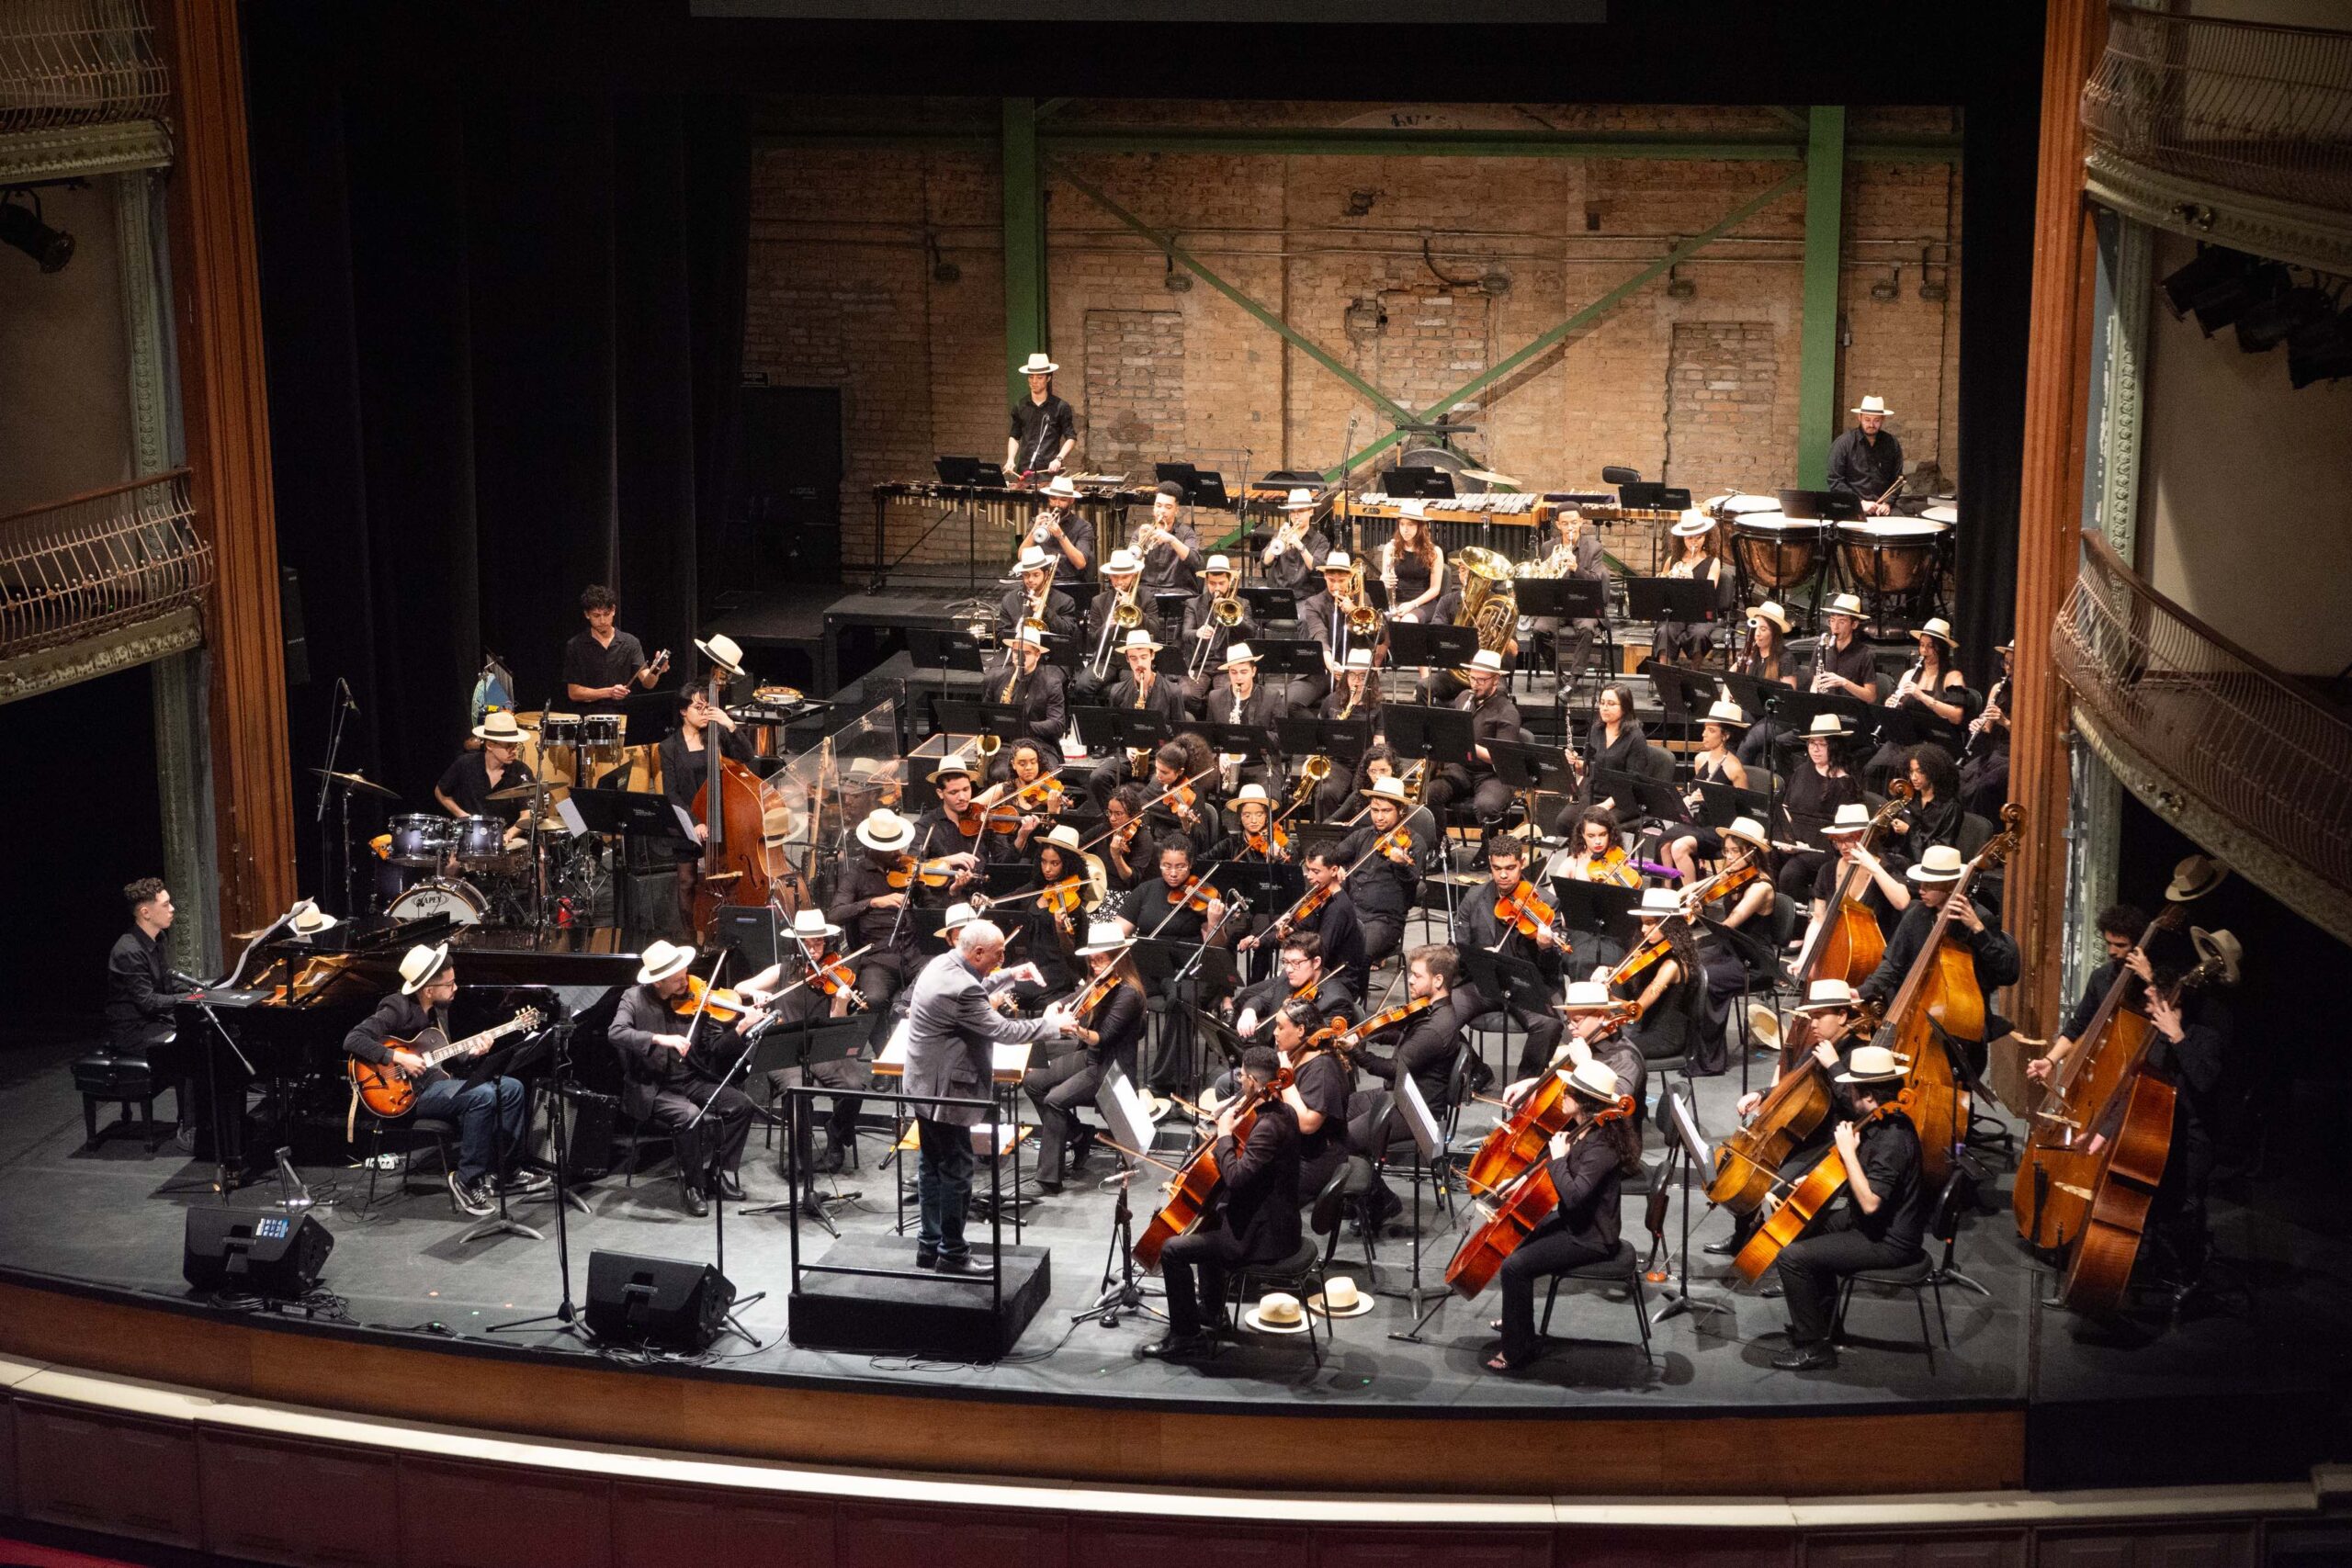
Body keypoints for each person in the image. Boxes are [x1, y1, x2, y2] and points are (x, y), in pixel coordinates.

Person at [901, 919, 1078, 1270]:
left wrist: (1010, 974)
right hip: (945, 1093)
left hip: (923, 1085)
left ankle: (929, 1246)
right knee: (956, 1173)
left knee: (931, 1167)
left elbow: (976, 982)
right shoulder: (962, 989)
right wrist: (1052, 1026)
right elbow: (1003, 1030)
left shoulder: (942, 964)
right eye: (999, 954)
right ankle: (952, 1254)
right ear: (979, 952)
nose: (1002, 959)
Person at [344, 943, 544, 1217]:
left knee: (512, 1088)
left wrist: (473, 1053)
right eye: (449, 984)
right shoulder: (396, 1007)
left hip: (436, 1085)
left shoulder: (439, 1011)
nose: (455, 988)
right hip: (407, 1096)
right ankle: (467, 1179)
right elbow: (353, 1039)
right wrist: (398, 1057)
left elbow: (443, 1059)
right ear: (428, 989)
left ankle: (506, 1173)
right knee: (482, 1095)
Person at [1770, 1043, 1928, 1371]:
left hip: (1888, 1241)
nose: (1848, 1094)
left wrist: (1848, 1153)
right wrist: (1812, 1181)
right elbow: (1862, 1176)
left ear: (1868, 1095)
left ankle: (1815, 1347)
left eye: (1853, 1088)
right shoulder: (1879, 1120)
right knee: (1803, 1230)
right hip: (1867, 1223)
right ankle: (1826, 1327)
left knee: (1791, 1258)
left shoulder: (1894, 1139)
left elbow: (1870, 1203)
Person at [1141, 1044, 1301, 1359]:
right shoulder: (1284, 1111)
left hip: (1262, 1238)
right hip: (1276, 1222)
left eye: (1242, 1076)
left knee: (1172, 1249)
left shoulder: (1267, 1127)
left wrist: (1225, 1136)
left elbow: (1237, 1178)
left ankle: (1186, 1338)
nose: (1239, 1081)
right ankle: (1213, 1312)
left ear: (1253, 1081)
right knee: (1211, 1221)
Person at [1484, 1056, 1627, 1373]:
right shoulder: (1583, 1129)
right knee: (1519, 1239)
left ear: (1584, 1102)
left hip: (1591, 1237)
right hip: (1576, 1224)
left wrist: (1560, 1159)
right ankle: (1517, 1322)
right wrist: (1518, 1181)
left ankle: (1517, 1351)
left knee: (1515, 1267)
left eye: (1569, 1092)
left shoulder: (1602, 1145)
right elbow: (1549, 1165)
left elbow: (1574, 1196)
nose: (1562, 1095)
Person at [1857, 844, 2021, 1086]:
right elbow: (1893, 964)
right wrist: (1864, 991)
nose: (1920, 890)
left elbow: (2007, 972)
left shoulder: (1981, 918)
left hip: (1959, 1024)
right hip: (1913, 1016)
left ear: (1951, 885)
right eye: (1922, 883)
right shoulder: (1917, 914)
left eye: (1929, 885)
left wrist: (1978, 930)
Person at [735, 908, 875, 1175]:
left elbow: (836, 1023)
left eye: (818, 942)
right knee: (797, 1091)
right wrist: (756, 993)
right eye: (807, 944)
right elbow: (740, 988)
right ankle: (801, 1154)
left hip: (821, 1049)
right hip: (786, 1051)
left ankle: (836, 1135)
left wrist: (841, 1002)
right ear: (797, 944)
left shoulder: (833, 974)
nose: (813, 949)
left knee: (854, 1086)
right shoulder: (782, 970)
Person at [1348, 944, 1470, 1222]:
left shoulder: (1437, 1027)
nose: (1411, 980)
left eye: (1417, 975)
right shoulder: (1430, 1011)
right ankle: (1356, 1194)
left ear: (1438, 980)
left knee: (1347, 1139)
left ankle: (1382, 1201)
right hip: (1398, 1096)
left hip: (1414, 1111)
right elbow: (1404, 1036)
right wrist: (1372, 1032)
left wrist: (1355, 1052)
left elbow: (1393, 1069)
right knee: (1339, 1110)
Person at [1023, 921, 1146, 1194]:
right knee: (1033, 1082)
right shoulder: (1099, 983)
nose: (1095, 966)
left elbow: (1103, 1037)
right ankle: (1079, 1135)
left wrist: (1076, 1029)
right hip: (1090, 1057)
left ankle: (1049, 1179)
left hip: (1109, 1066)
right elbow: (1075, 996)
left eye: (1100, 960)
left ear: (1118, 958)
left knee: (1054, 1100)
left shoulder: (1129, 994)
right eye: (1092, 960)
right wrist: (1056, 1005)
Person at [1453, 840, 1567, 1077]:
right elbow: (1457, 949)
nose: (1503, 875)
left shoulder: (1546, 903)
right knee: (1440, 1017)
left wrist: (1545, 948)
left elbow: (1553, 966)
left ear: (1522, 863)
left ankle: (1525, 1087)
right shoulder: (1474, 897)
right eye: (1497, 868)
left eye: (1510, 868)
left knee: (1550, 1025)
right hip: (1485, 982)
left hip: (1527, 985)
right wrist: (1481, 956)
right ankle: (1477, 1071)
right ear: (1490, 865)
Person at [660, 683, 757, 933]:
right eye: (698, 707)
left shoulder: (718, 735)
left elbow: (747, 756)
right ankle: (690, 936)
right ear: (683, 711)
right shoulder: (669, 747)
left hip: (722, 818)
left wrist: (730, 724)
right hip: (688, 818)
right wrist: (695, 822)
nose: (705, 713)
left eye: (707, 707)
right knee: (687, 881)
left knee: (728, 878)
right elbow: (671, 793)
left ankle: (728, 930)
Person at [826, 808, 928, 1043]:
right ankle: (882, 1055)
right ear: (874, 848)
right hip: (878, 958)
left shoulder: (909, 869)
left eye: (898, 845)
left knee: (939, 982)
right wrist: (872, 902)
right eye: (891, 848)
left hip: (914, 953)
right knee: (871, 999)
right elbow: (835, 914)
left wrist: (950, 888)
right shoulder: (856, 876)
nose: (898, 852)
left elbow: (931, 903)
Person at [1429, 649, 1522, 851]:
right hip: (1463, 768)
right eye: (1472, 678)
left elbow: (1502, 758)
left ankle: (1489, 850)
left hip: (1494, 775)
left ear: (1495, 680)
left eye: (1482, 680)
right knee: (1432, 792)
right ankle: (1440, 846)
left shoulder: (1507, 711)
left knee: (1487, 806)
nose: (1475, 684)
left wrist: (1468, 744)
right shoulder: (1464, 698)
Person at [1864, 619, 1973, 793]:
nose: (1924, 651)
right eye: (1922, 645)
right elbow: (1897, 709)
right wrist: (1891, 703)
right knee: (1874, 768)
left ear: (1942, 649)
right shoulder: (1909, 674)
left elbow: (1956, 716)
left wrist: (1922, 696)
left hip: (1935, 743)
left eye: (1930, 646)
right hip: (1907, 738)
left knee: (1901, 768)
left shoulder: (1953, 677)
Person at [1335, 776, 1431, 968]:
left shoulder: (1414, 843)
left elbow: (1412, 882)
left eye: (1386, 811)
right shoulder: (1362, 835)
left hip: (1385, 921)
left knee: (1355, 954)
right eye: (1375, 810)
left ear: (1401, 810)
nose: (1379, 817)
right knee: (1316, 946)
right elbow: (1334, 854)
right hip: (1351, 912)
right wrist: (1335, 866)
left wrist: (1401, 865)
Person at [1772, 714, 1865, 904]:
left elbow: (1843, 831)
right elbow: (1787, 808)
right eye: (1812, 743)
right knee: (1767, 857)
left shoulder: (1844, 783)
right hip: (1794, 841)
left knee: (1791, 874)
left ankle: (1799, 918)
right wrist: (1786, 839)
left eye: (1822, 744)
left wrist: (1805, 847)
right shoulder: (1802, 771)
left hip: (1823, 847)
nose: (1815, 749)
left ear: (1834, 746)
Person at [1659, 699, 1749, 886]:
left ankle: (1691, 896)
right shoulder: (1701, 759)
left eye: (1711, 730)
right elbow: (1692, 792)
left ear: (1725, 735)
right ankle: (1667, 892)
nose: (1704, 735)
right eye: (1705, 729)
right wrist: (1690, 798)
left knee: (1679, 847)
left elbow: (1743, 810)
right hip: (1699, 823)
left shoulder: (1734, 769)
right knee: (1664, 843)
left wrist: (1714, 799)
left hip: (1720, 830)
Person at [1525, 505, 1606, 683]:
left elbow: (1596, 581)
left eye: (1574, 523)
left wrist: (1576, 568)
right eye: (1565, 523)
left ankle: (1574, 679)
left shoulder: (1594, 548)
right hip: (1557, 606)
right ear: (1558, 525)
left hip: (1583, 606)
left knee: (1587, 628)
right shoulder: (1548, 547)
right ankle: (1558, 673)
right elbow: (1543, 580)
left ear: (1581, 522)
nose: (1570, 527)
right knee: (1539, 630)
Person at [1077, 547, 1162, 702]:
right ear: (1110, 576)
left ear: (1133, 575)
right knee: (1082, 686)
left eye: (1125, 577)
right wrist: (1107, 626)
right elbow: (1093, 641)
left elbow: (1155, 633)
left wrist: (1136, 611)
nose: (1120, 582)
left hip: (1134, 659)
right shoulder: (1099, 601)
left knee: (1133, 689)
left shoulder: (1147, 598)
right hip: (1107, 659)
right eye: (1115, 577)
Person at [562, 584, 666, 711]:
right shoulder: (575, 645)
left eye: (606, 614)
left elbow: (647, 683)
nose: (602, 621)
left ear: (613, 610)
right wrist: (609, 692)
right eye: (596, 615)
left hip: (622, 715)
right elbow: (574, 693)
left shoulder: (630, 642)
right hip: (588, 716)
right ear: (587, 614)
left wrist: (656, 671)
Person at [433, 709, 537, 831]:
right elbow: (440, 792)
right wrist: (462, 815)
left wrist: (509, 835)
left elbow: (527, 814)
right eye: (509, 746)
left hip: (505, 834)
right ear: (490, 745)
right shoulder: (465, 763)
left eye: (515, 746)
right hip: (469, 833)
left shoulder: (521, 771)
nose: (514, 751)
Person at [1204, 642, 1287, 793]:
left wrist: (1254, 734)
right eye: (1234, 672)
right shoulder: (1215, 697)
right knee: (1197, 788)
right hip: (1226, 763)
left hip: (1261, 763)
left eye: (1244, 672)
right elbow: (1210, 737)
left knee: (1266, 799)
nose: (1239, 677)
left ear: (1253, 671)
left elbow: (1281, 739)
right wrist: (1218, 755)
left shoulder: (1271, 696)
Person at [981, 620, 1068, 765]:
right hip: (1006, 746)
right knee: (1000, 772)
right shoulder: (996, 678)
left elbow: (1057, 725)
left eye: (1026, 653)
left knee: (1041, 772)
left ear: (1037, 655)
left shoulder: (1051, 684)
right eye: (1016, 652)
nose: (1020, 657)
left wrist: (1023, 725)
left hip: (1040, 745)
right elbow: (984, 716)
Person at [1177, 553, 1258, 710]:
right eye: (1212, 584)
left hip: (1228, 665)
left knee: (1229, 697)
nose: (1217, 588)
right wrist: (1198, 633)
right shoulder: (1193, 604)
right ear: (1207, 581)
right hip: (1199, 665)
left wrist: (1234, 618)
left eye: (1221, 583)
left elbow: (1251, 632)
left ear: (1230, 580)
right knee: (1185, 694)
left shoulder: (1242, 604)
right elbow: (1185, 633)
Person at [1291, 550, 1369, 710]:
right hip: (1321, 670)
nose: (1336, 586)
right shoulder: (1314, 603)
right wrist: (1329, 662)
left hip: (1355, 672)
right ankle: (1320, 725)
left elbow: (1379, 637)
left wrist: (1354, 611)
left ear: (1350, 577)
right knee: (1289, 703)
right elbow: (1319, 635)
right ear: (1325, 577)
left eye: (1342, 581)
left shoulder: (1363, 599)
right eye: (1331, 580)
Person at [1651, 510, 1731, 665]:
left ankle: (1694, 674)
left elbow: (1708, 591)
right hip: (1677, 612)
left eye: (1698, 537)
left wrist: (1690, 582)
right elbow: (1662, 588)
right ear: (1682, 538)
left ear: (1706, 537)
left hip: (1701, 614)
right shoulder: (1672, 560)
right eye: (1689, 538)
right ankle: (1664, 674)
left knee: (1699, 635)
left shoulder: (1713, 562)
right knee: (1664, 632)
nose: (1694, 542)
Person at [1733, 601, 1803, 766]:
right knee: (1726, 727)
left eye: (1763, 629)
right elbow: (1732, 675)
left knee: (1748, 743)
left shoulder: (1785, 658)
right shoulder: (1751, 652)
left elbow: (1788, 697)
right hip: (1755, 711)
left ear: (1775, 633)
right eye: (1756, 629)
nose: (1757, 634)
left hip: (1778, 716)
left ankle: (1741, 781)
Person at [1883, 743, 1966, 879]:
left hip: (1927, 870)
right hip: (1900, 862)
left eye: (1920, 771)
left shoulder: (1950, 807)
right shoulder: (1908, 799)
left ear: (1934, 772)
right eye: (1911, 771)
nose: (1914, 777)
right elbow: (1890, 843)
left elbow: (1941, 852)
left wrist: (1909, 831)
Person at [1959, 640, 2013, 819]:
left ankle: (1985, 829)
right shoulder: (1998, 688)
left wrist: (2005, 722)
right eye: (2006, 662)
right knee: (1962, 776)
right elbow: (1988, 727)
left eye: (2013, 664)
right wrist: (1979, 724)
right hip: (1998, 752)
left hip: (2016, 755)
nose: (2008, 668)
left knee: (1985, 786)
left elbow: (2028, 737)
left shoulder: (2029, 693)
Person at [1826, 395, 1905, 513]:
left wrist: (1887, 503)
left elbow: (1898, 479)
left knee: (1903, 522)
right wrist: (1860, 503)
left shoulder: (1892, 443)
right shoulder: (1843, 443)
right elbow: (1835, 481)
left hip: (1883, 507)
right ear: (1859, 417)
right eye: (1867, 419)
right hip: (1852, 505)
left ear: (1883, 419)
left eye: (1876, 420)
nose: (1871, 425)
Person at [1005, 351, 1076, 480]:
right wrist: (1010, 459)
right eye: (1031, 377)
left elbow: (1071, 437)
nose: (1034, 381)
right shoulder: (1020, 406)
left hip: (1050, 473)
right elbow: (1014, 436)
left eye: (1039, 377)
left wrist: (1059, 458)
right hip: (1025, 472)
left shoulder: (1060, 406)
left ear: (1048, 378)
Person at [996, 546, 1080, 646]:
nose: (1030, 580)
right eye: (1026, 575)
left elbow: (1069, 633)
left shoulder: (1065, 601)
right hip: (1017, 652)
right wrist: (1022, 629)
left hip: (1051, 653)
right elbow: (1000, 637)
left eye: (1036, 575)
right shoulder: (1009, 600)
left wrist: (1046, 612)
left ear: (1046, 574)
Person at [1810, 592, 1883, 704]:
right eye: (1832, 620)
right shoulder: (1822, 648)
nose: (1835, 627)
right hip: (1825, 708)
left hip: (1851, 710)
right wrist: (1814, 695)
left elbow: (1871, 697)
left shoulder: (1865, 654)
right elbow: (1815, 683)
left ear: (1854, 624)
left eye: (1842, 622)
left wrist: (1844, 683)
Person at [1259, 488, 1331, 597]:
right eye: (1292, 512)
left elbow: (1317, 568)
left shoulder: (1320, 540)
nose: (1296, 516)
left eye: (1301, 511)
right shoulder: (1282, 535)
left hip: (1303, 596)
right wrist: (1277, 541)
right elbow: (1265, 562)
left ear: (1311, 512)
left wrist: (1300, 547)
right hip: (1278, 592)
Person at [1379, 513, 1449, 624]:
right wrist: (1384, 579)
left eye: (1410, 525)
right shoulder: (1390, 548)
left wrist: (1413, 604)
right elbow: (1384, 577)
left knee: (1408, 621)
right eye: (1402, 524)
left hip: (1422, 603)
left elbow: (1435, 589)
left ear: (1420, 527)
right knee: (1392, 621)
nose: (1405, 530)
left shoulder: (1434, 552)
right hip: (1396, 602)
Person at [1135, 481, 1200, 597]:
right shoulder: (1142, 532)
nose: (1162, 511)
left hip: (1178, 591)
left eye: (1168, 507)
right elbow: (1129, 562)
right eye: (1158, 506)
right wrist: (1140, 543)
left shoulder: (1186, 533)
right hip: (1145, 591)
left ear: (1176, 510)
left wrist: (1172, 540)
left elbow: (1195, 562)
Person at [1027, 476, 1093, 582]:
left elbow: (1080, 563)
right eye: (1053, 499)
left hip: (1068, 581)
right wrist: (1034, 529)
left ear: (1071, 500)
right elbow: (1021, 556)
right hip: (1039, 580)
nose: (1057, 504)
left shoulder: (1084, 527)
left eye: (1063, 500)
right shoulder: (1037, 521)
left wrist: (1060, 536)